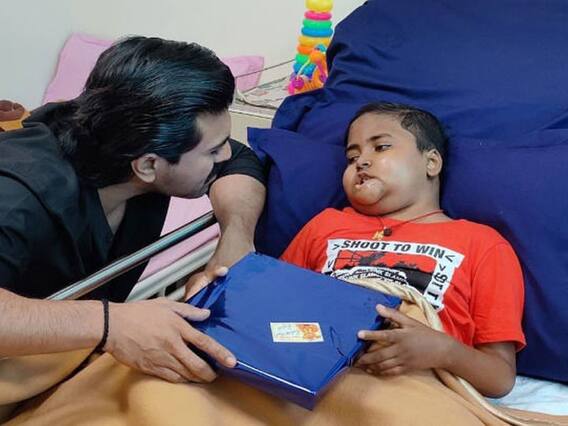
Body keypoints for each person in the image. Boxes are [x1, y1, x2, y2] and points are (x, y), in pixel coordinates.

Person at [0, 36, 266, 384]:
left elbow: (240, 161)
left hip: (60, 361)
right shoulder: (20, 201)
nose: (225, 155)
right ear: (148, 166)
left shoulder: (126, 139)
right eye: (213, 151)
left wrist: (234, 239)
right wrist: (111, 324)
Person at [281, 102, 525, 397]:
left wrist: (442, 350)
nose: (361, 162)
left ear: (431, 162)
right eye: (352, 156)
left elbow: (500, 377)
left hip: (411, 390)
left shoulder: (483, 244)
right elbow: (273, 307)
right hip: (312, 374)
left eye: (381, 147)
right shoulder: (325, 225)